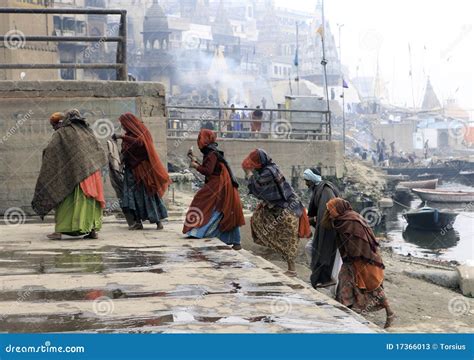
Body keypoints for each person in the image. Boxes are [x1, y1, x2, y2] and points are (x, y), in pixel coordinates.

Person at [32, 109, 107, 240]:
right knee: (91, 203)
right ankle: (92, 230)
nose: (54, 128)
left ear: (58, 123)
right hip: (92, 173)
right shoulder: (86, 131)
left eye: (54, 125)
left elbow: (50, 150)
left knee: (66, 202)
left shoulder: (61, 133)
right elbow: (98, 150)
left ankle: (59, 232)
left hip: (74, 175)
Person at [324, 198, 395, 328]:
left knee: (373, 287)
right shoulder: (340, 221)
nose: (329, 213)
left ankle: (390, 313)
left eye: (331, 210)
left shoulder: (352, 221)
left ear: (339, 208)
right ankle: (347, 311)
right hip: (351, 260)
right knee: (345, 281)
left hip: (365, 259)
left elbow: (362, 243)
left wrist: (357, 259)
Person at [242, 149, 311, 276]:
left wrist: (249, 174)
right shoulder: (272, 168)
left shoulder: (268, 172)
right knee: (260, 220)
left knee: (287, 238)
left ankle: (292, 269)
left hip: (288, 209)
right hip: (282, 205)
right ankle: (274, 253)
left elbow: (258, 189)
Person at [183, 129, 245, 249]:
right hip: (219, 184)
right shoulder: (211, 152)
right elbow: (209, 168)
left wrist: (195, 165)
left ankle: (197, 231)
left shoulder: (211, 153)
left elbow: (208, 171)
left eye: (200, 139)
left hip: (218, 185)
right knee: (224, 210)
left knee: (206, 203)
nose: (198, 141)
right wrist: (195, 160)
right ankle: (235, 241)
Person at [114, 112, 170, 230]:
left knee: (148, 194)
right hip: (130, 170)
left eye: (123, 124)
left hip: (142, 170)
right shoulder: (129, 135)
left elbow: (140, 143)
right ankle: (138, 222)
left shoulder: (141, 133)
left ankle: (158, 222)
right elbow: (126, 152)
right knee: (132, 197)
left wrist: (121, 137)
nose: (123, 127)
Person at [303, 168, 341, 289]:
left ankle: (328, 281)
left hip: (330, 229)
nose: (305, 183)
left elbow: (328, 212)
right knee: (311, 249)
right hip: (325, 227)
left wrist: (314, 220)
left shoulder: (325, 190)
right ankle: (322, 278)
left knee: (328, 256)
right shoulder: (318, 190)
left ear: (312, 180)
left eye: (307, 180)